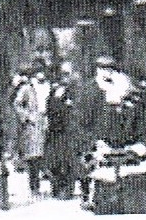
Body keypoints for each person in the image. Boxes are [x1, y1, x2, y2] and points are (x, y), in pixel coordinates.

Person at [44, 61, 91, 199]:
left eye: (67, 74)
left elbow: (80, 111)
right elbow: (50, 109)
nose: (65, 78)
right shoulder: (55, 92)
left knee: (73, 161)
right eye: (63, 74)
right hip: (57, 132)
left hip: (72, 132)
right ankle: (59, 188)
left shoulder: (78, 91)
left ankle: (74, 189)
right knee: (57, 161)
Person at [12, 64, 49, 192]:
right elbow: (17, 104)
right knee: (34, 155)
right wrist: (27, 116)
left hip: (48, 120)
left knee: (48, 152)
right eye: (38, 72)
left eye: (43, 71)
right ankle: (34, 185)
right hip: (34, 123)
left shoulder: (49, 86)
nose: (41, 75)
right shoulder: (28, 88)